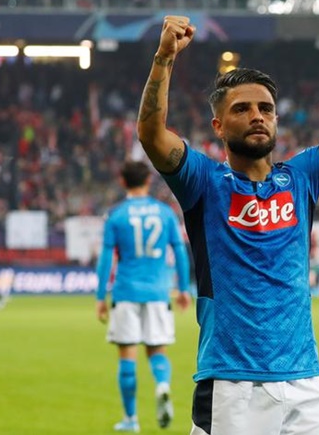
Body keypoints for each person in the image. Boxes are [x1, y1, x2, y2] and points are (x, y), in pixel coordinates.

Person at [137, 8, 319, 435]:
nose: (257, 115)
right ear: (218, 125)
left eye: (266, 108)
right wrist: (164, 57)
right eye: (242, 109)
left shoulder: (302, 178)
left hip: (306, 382)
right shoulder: (203, 182)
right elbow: (151, 133)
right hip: (232, 385)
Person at [95, 160, 191, 433]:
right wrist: (183, 288)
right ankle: (162, 385)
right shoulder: (165, 213)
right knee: (157, 350)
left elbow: (106, 259)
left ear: (123, 182)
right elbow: (180, 251)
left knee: (127, 354)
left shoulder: (116, 215)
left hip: (126, 291)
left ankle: (131, 420)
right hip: (158, 292)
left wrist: (101, 296)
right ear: (148, 181)